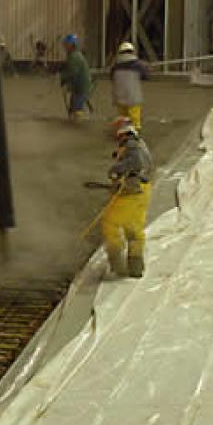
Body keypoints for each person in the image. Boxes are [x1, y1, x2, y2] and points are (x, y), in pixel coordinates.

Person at [101, 118, 153, 278]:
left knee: (111, 223)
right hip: (143, 191)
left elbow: (135, 162)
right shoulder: (138, 143)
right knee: (133, 227)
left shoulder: (132, 146)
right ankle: (135, 265)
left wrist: (116, 169)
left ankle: (116, 262)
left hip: (131, 190)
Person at [110, 41, 149, 131]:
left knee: (123, 119)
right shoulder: (138, 65)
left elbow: (112, 78)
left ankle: (123, 134)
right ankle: (134, 137)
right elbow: (146, 76)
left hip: (119, 97)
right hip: (133, 97)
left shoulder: (115, 66)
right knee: (135, 121)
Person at [59, 34, 92, 121]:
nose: (64, 47)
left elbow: (72, 73)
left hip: (81, 89)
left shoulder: (74, 57)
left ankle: (80, 122)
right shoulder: (74, 55)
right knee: (74, 108)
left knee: (77, 112)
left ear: (71, 45)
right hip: (79, 88)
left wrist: (63, 78)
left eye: (66, 44)